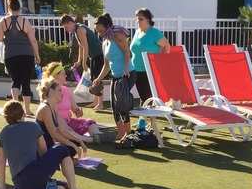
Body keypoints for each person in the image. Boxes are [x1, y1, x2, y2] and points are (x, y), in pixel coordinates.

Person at [0, 100, 87, 189]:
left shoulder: (3, 133)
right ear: (23, 114)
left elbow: (1, 164)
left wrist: (3, 188)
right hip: (35, 174)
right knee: (62, 149)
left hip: (21, 186)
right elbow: (44, 152)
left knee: (63, 186)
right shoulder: (33, 126)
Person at [0, 0, 40, 117]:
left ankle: (14, 108)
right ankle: (27, 110)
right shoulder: (25, 21)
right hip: (26, 54)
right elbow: (33, 41)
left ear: (8, 8)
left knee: (15, 81)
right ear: (19, 9)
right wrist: (37, 55)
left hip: (11, 55)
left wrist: (7, 38)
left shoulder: (3, 21)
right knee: (25, 82)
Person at [91, 14, 134, 142]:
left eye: (101, 30)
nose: (99, 33)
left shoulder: (117, 36)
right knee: (114, 106)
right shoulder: (105, 42)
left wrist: (126, 67)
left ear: (108, 27)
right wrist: (98, 79)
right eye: (97, 31)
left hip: (128, 74)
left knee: (121, 104)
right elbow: (106, 65)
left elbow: (127, 52)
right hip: (115, 76)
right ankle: (121, 133)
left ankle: (127, 132)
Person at [42, 61, 99, 142]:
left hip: (69, 123)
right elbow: (50, 114)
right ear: (56, 76)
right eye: (63, 74)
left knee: (90, 123)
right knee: (65, 128)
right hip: (57, 125)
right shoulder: (48, 91)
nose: (66, 76)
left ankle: (98, 136)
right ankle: (88, 139)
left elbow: (75, 110)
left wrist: (78, 112)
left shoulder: (67, 90)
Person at [36, 78, 87, 160]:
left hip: (51, 144)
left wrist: (79, 141)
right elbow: (54, 134)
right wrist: (73, 145)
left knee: (73, 146)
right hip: (44, 149)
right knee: (68, 149)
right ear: (51, 91)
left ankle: (66, 159)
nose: (62, 93)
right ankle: (65, 161)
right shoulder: (45, 108)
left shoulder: (53, 106)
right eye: (59, 90)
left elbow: (62, 129)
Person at [60, 14, 104, 110]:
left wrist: (84, 63)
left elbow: (86, 46)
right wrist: (79, 61)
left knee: (96, 78)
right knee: (94, 78)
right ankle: (96, 101)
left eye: (66, 27)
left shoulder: (79, 29)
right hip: (94, 56)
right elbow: (81, 47)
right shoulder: (76, 30)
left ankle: (100, 103)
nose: (66, 29)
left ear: (71, 23)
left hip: (98, 55)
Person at [130, 8, 170, 104]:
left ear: (148, 19)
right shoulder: (137, 32)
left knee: (147, 97)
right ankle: (144, 116)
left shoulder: (154, 33)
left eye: (140, 19)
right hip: (135, 69)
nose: (138, 21)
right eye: (137, 19)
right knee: (143, 96)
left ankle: (149, 116)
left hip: (149, 70)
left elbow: (167, 47)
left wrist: (160, 61)